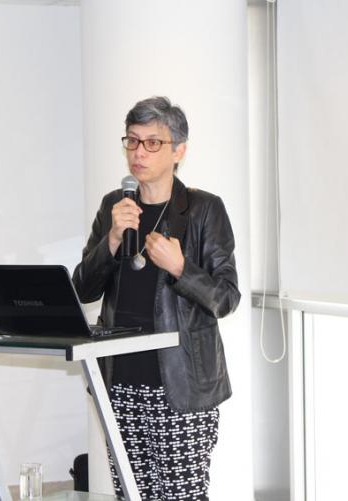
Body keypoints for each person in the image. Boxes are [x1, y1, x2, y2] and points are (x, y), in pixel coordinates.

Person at [73, 96, 240, 500]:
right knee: (130, 493)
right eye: (132, 141)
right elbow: (83, 288)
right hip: (120, 383)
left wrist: (181, 268)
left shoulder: (203, 210)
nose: (138, 152)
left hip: (180, 386)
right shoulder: (115, 206)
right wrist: (112, 240)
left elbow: (226, 297)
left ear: (178, 151)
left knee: (181, 495)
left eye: (152, 143)